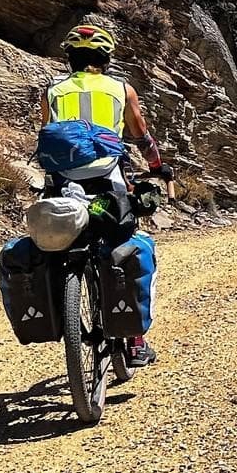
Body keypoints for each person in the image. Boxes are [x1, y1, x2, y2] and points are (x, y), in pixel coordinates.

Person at [41, 23, 168, 367]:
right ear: (106, 58)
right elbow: (140, 134)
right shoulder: (120, 89)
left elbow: (46, 135)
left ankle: (61, 306)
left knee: (62, 246)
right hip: (107, 182)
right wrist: (157, 166)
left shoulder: (53, 90)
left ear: (70, 58)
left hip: (64, 185)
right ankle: (136, 341)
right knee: (123, 247)